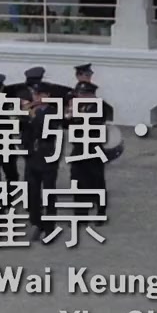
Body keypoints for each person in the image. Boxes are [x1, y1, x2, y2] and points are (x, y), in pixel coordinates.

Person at [22, 82, 63, 241]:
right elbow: (24, 131)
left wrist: (34, 117)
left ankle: (49, 227)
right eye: (35, 94)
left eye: (40, 94)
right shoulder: (30, 111)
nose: (36, 97)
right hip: (32, 157)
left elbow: (47, 131)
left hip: (47, 158)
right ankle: (36, 222)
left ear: (48, 96)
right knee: (32, 192)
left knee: (49, 193)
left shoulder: (53, 111)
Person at [67, 81, 108, 217]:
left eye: (82, 95)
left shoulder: (98, 106)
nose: (79, 97)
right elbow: (66, 123)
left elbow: (92, 123)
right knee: (77, 181)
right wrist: (69, 114)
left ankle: (100, 211)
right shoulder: (79, 107)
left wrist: (76, 114)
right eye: (79, 94)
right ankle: (80, 213)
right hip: (79, 149)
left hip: (93, 149)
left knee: (96, 181)